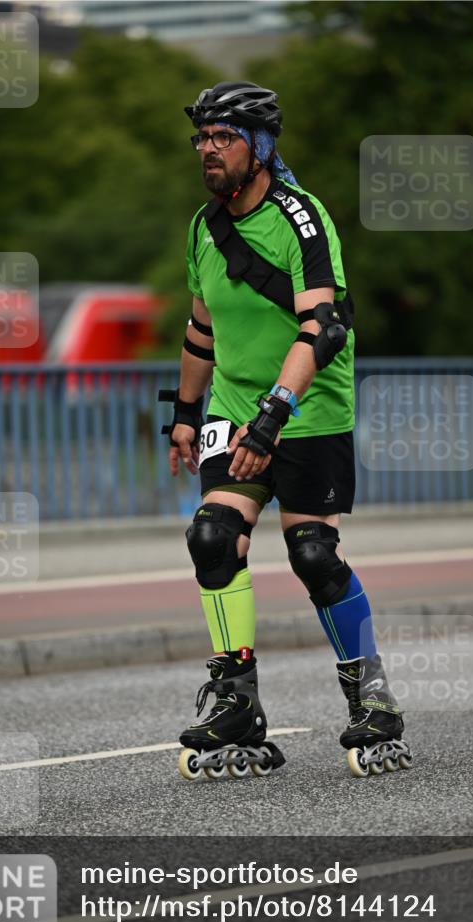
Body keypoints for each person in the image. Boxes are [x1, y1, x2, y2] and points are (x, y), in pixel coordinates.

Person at [161, 81, 411, 780]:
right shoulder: (201, 226)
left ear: (261, 147)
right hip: (231, 408)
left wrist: (272, 417)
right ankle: (236, 699)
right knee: (211, 537)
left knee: (312, 554)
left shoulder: (300, 219)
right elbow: (200, 327)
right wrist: (185, 414)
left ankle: (371, 696)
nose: (208, 151)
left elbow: (323, 325)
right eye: (201, 139)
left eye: (223, 138)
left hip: (308, 409)